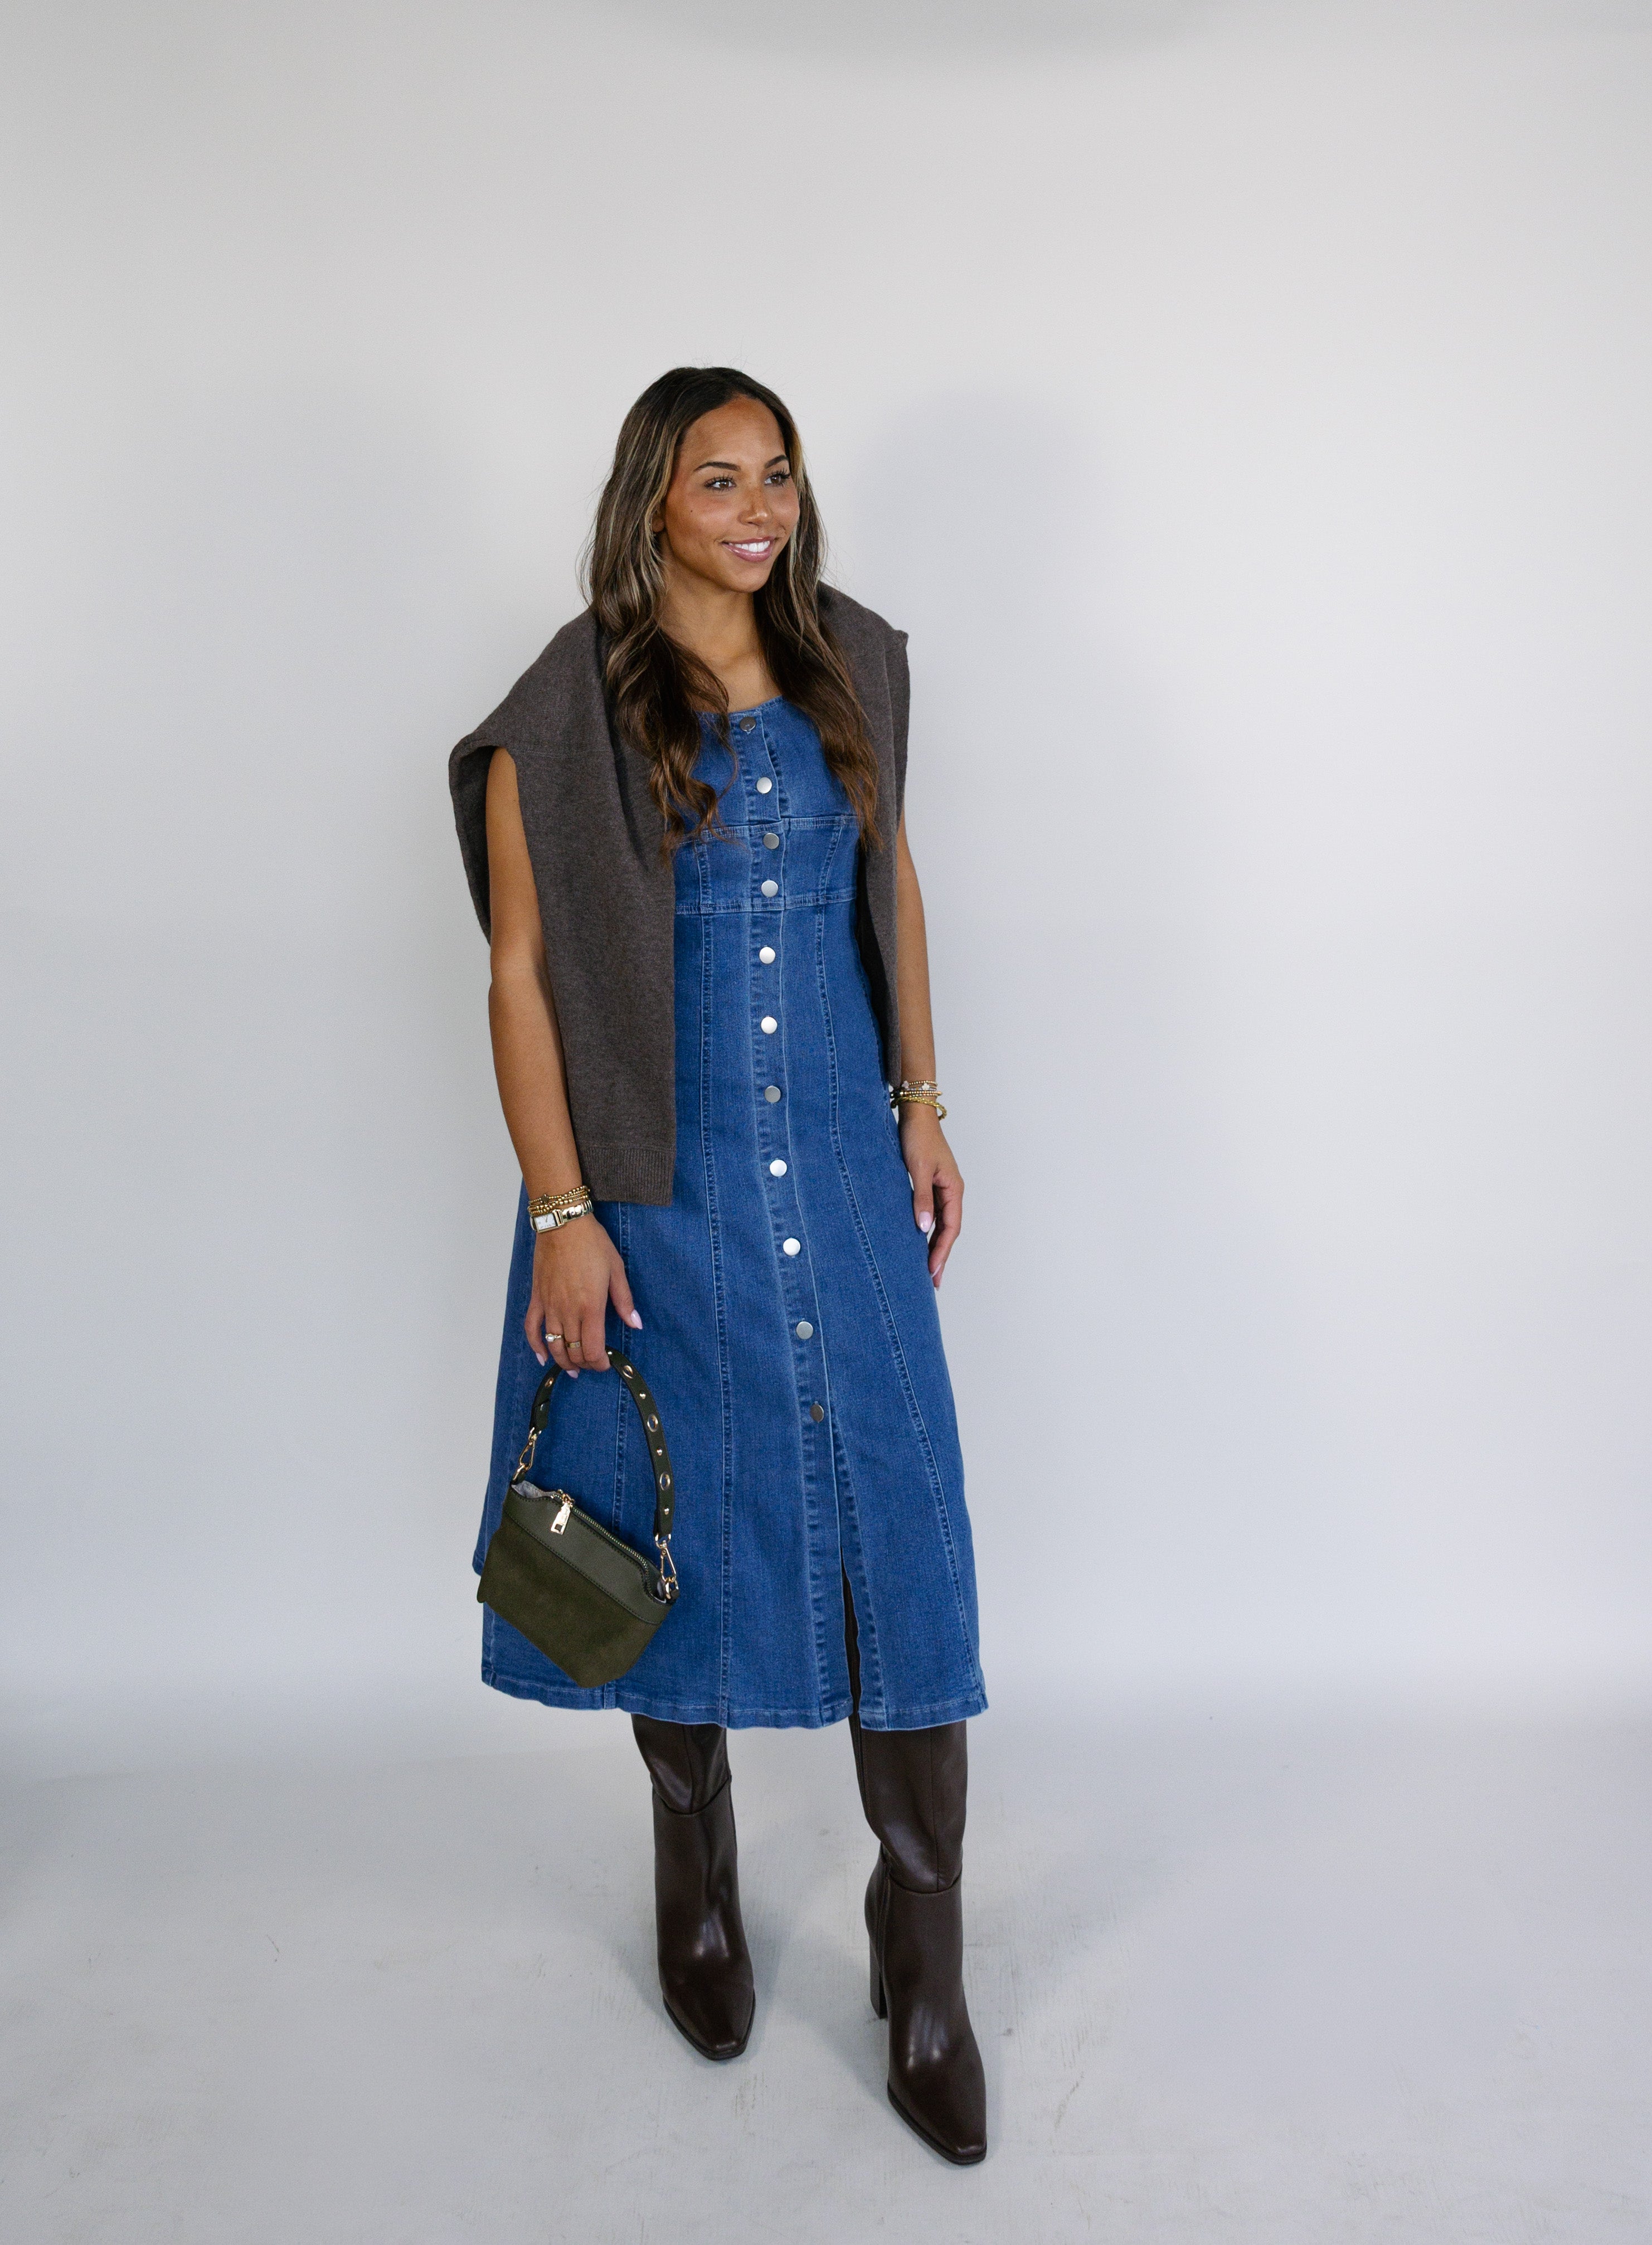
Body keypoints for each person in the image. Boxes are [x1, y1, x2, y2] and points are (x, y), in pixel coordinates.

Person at [448, 367, 988, 2164]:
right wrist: (562, 1212)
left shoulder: (856, 660)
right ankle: (693, 1864)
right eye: (719, 481)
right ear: (650, 503)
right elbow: (521, 974)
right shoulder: (563, 709)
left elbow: (893, 882)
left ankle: (923, 1950)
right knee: (672, 1536)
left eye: (778, 476)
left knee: (903, 1545)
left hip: (838, 1166)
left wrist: (920, 1099)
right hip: (656, 1198)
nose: (760, 511)